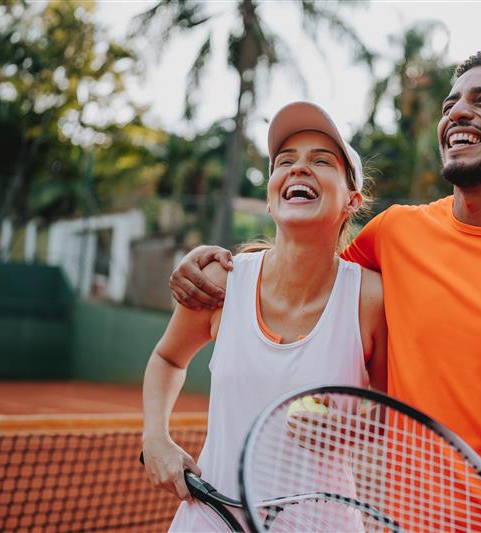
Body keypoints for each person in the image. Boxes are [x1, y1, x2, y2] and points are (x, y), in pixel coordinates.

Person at [170, 51, 481, 532]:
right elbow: (304, 268)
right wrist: (219, 263)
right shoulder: (394, 234)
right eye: (450, 103)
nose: (458, 111)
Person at [142, 101, 388, 531]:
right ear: (271, 199)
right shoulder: (220, 281)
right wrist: (155, 438)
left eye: (321, 161)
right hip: (210, 519)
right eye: (285, 162)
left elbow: (388, 414)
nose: (298, 169)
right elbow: (168, 359)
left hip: (321, 522)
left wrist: (347, 429)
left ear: (352, 200)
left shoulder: (371, 297)